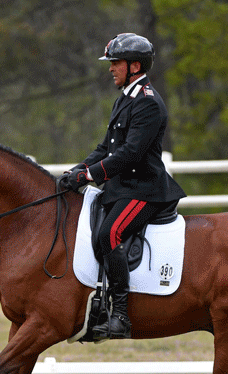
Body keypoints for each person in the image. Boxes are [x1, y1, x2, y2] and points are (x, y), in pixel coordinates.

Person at [60, 32, 186, 340]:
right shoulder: (125, 99)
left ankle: (120, 314)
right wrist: (78, 170)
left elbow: (129, 154)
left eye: (115, 63)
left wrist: (89, 177)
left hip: (145, 190)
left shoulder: (148, 104)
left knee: (110, 233)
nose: (110, 69)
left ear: (134, 65)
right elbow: (106, 147)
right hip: (124, 187)